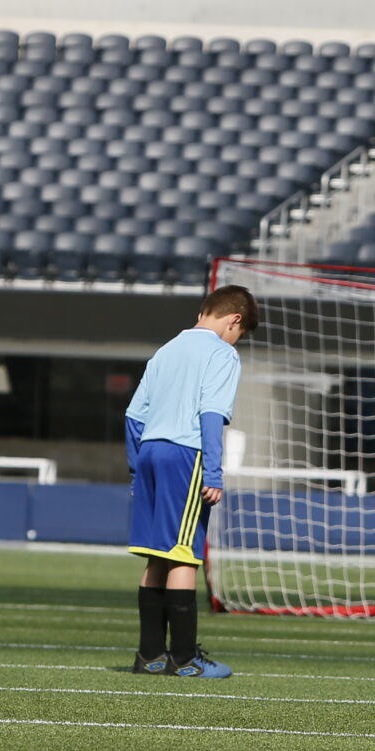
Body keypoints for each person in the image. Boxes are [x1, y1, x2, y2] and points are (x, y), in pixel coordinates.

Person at [127, 285, 258, 678]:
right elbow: (211, 413)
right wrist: (214, 473)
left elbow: (133, 415)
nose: (237, 339)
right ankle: (185, 661)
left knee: (157, 553)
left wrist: (136, 468)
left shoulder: (165, 350)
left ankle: (150, 656)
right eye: (241, 332)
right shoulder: (222, 353)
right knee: (185, 551)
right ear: (234, 320)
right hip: (185, 454)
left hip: (150, 450)